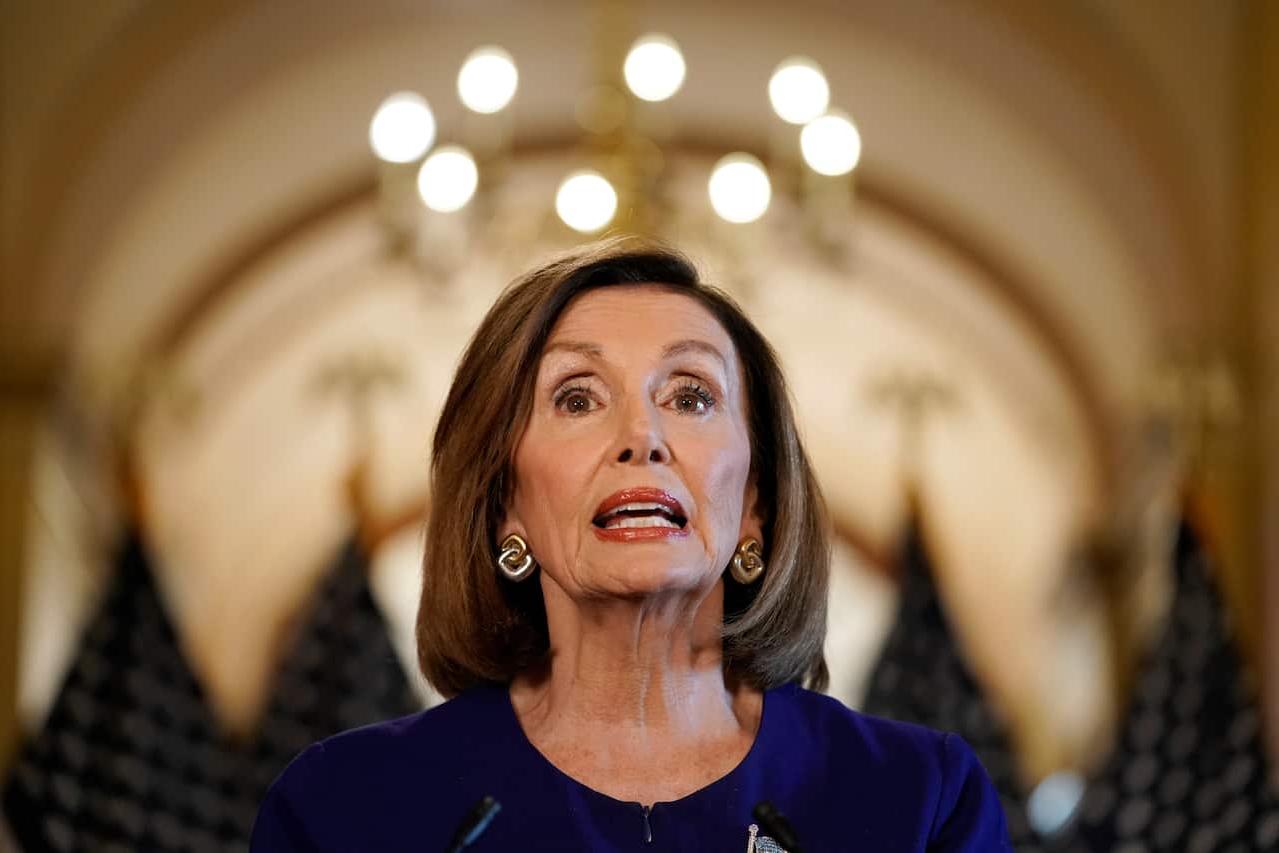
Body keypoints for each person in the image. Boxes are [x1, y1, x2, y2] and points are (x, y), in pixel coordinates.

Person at [250, 239, 1010, 851]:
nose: (641, 436)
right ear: (503, 504)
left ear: (756, 505)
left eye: (691, 395)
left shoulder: (922, 800)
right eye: (577, 396)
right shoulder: (344, 809)